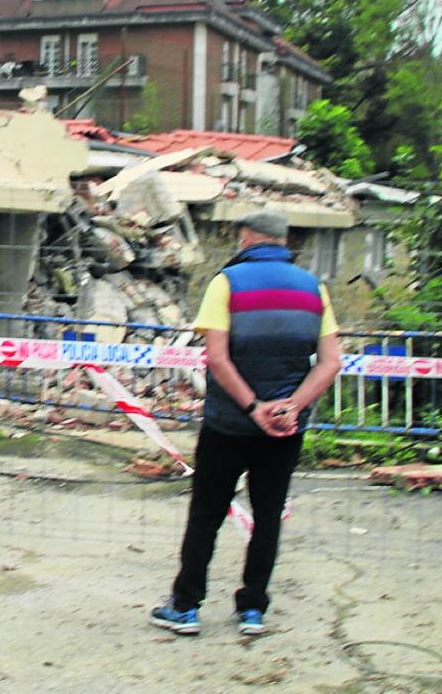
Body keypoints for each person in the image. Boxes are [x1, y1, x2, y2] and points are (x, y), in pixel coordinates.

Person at [151, 209, 341, 637]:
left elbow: (216, 358)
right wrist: (291, 407)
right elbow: (330, 363)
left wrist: (253, 407)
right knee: (269, 515)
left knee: (205, 515)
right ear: (284, 243)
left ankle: (185, 607)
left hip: (228, 425)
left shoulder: (226, 283)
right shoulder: (315, 289)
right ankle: (252, 610)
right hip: (286, 429)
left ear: (247, 239)